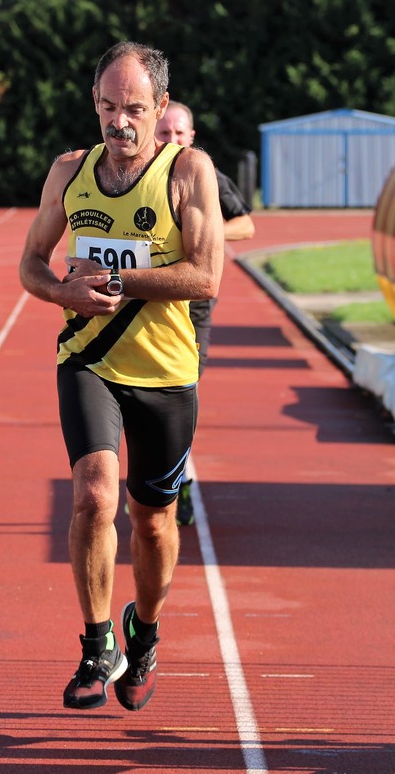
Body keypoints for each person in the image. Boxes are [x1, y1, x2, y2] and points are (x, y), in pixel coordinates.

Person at [19, 41, 223, 711]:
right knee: (92, 496)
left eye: (133, 108)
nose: (119, 121)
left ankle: (146, 630)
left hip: (165, 371)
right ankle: (96, 641)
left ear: (160, 107)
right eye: (108, 106)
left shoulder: (187, 172)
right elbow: (30, 263)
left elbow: (205, 276)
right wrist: (61, 293)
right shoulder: (69, 172)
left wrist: (115, 279)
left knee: (154, 522)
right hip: (88, 359)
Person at [154, 101, 255, 526]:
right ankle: (150, 482)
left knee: (182, 394)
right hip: (147, 302)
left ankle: (176, 483)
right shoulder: (136, 175)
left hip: (193, 308)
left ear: (192, 136)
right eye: (164, 133)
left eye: (179, 133)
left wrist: (202, 234)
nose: (172, 140)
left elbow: (246, 224)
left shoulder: (206, 173)